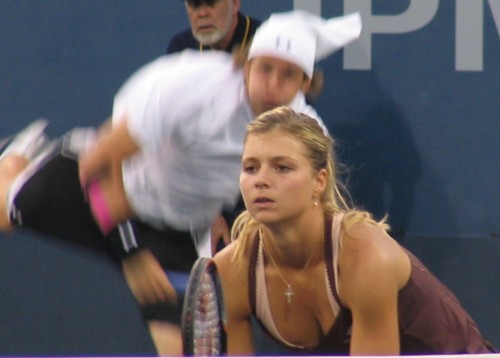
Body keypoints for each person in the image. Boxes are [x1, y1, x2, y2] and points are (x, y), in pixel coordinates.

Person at [0, 10, 362, 356]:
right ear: (245, 65)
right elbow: (96, 165)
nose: (272, 84)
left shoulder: (303, 132)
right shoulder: (193, 90)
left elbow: (315, 213)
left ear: (305, 85)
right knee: (5, 214)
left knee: (182, 353)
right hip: (105, 187)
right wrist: (131, 255)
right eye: (265, 68)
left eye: (288, 75)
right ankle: (18, 160)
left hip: (178, 229)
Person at [213, 106, 497, 355]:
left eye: (282, 168)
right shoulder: (233, 271)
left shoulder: (367, 258)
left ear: (319, 181)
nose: (261, 180)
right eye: (250, 168)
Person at [167, 0, 261, 54]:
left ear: (235, 4)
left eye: (211, 2)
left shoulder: (264, 42)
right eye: (195, 4)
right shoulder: (181, 49)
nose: (203, 13)